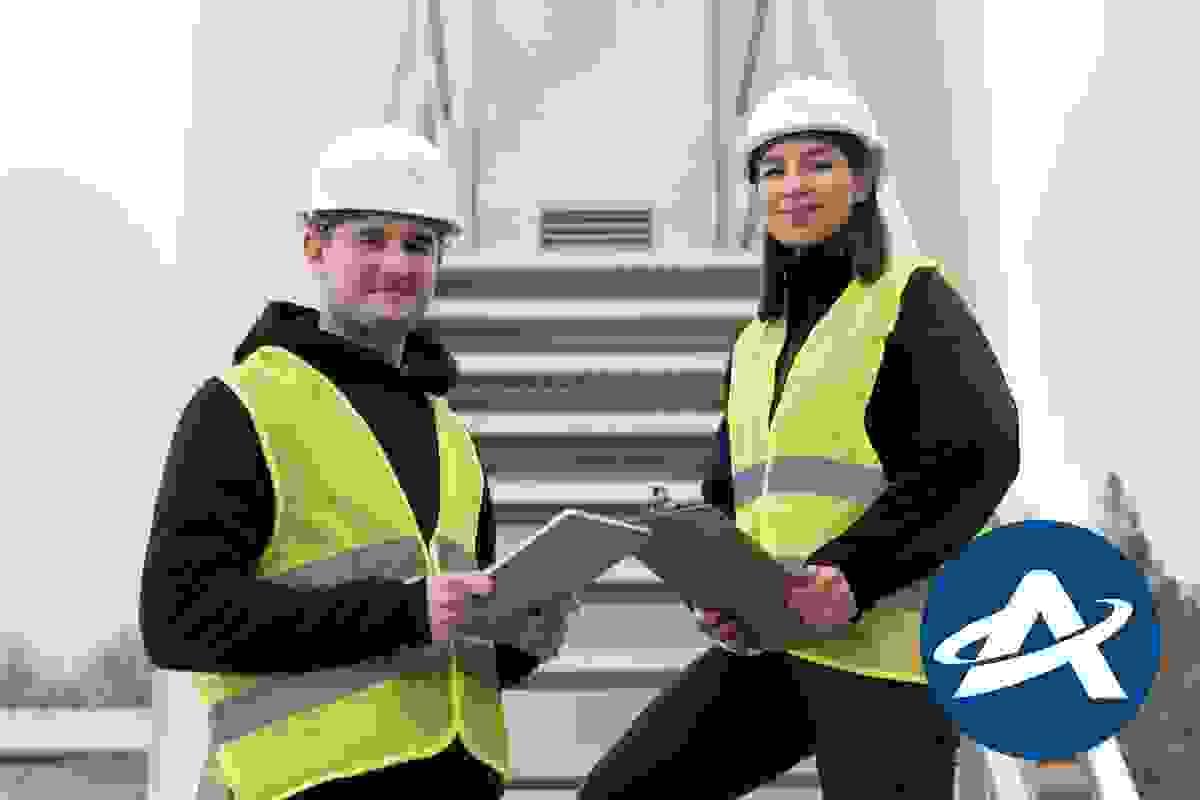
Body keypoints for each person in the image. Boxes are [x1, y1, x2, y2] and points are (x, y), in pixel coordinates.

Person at [578, 77, 1020, 799]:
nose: (794, 186)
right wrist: (715, 591)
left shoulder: (911, 299)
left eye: (819, 163)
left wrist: (851, 576)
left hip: (885, 655)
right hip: (773, 644)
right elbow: (731, 492)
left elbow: (978, 452)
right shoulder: (755, 342)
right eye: (773, 170)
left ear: (866, 178)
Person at [138, 124, 578, 799]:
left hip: (457, 782)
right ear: (314, 246)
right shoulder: (239, 406)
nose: (397, 265)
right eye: (371, 237)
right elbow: (179, 620)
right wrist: (408, 613)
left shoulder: (451, 435)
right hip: (308, 786)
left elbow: (457, 630)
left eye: (419, 244)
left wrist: (521, 641)